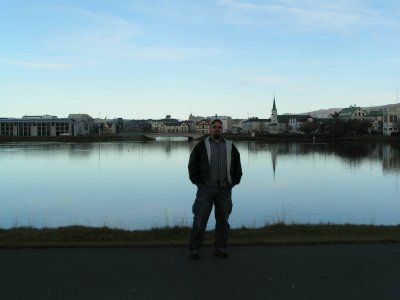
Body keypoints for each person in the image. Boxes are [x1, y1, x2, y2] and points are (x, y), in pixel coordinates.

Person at [188, 118, 242, 260]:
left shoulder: (230, 146)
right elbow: (192, 164)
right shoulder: (201, 146)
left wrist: (234, 181)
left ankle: (220, 248)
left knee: (223, 220)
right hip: (206, 188)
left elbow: (237, 165)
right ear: (210, 129)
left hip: (224, 189)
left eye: (219, 127)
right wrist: (198, 182)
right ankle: (195, 249)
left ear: (222, 129)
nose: (217, 129)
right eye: (214, 127)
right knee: (200, 219)